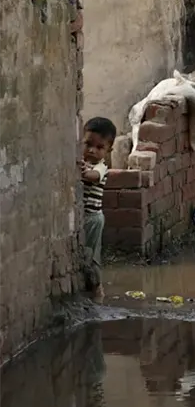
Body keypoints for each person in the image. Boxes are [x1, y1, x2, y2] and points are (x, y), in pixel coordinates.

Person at [81, 116, 116, 301]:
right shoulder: (82, 161)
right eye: (88, 144)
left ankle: (97, 291)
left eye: (100, 147)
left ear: (109, 150)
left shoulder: (102, 167)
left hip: (93, 218)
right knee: (84, 253)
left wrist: (84, 172)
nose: (92, 150)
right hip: (84, 217)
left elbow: (93, 176)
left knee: (92, 257)